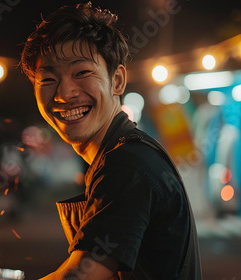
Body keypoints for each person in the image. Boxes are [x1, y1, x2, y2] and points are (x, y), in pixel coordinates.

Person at [20, 2, 202, 279]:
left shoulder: (127, 164)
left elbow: (81, 276)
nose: (64, 94)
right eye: (48, 79)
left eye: (81, 72)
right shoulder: (120, 155)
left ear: (117, 80)